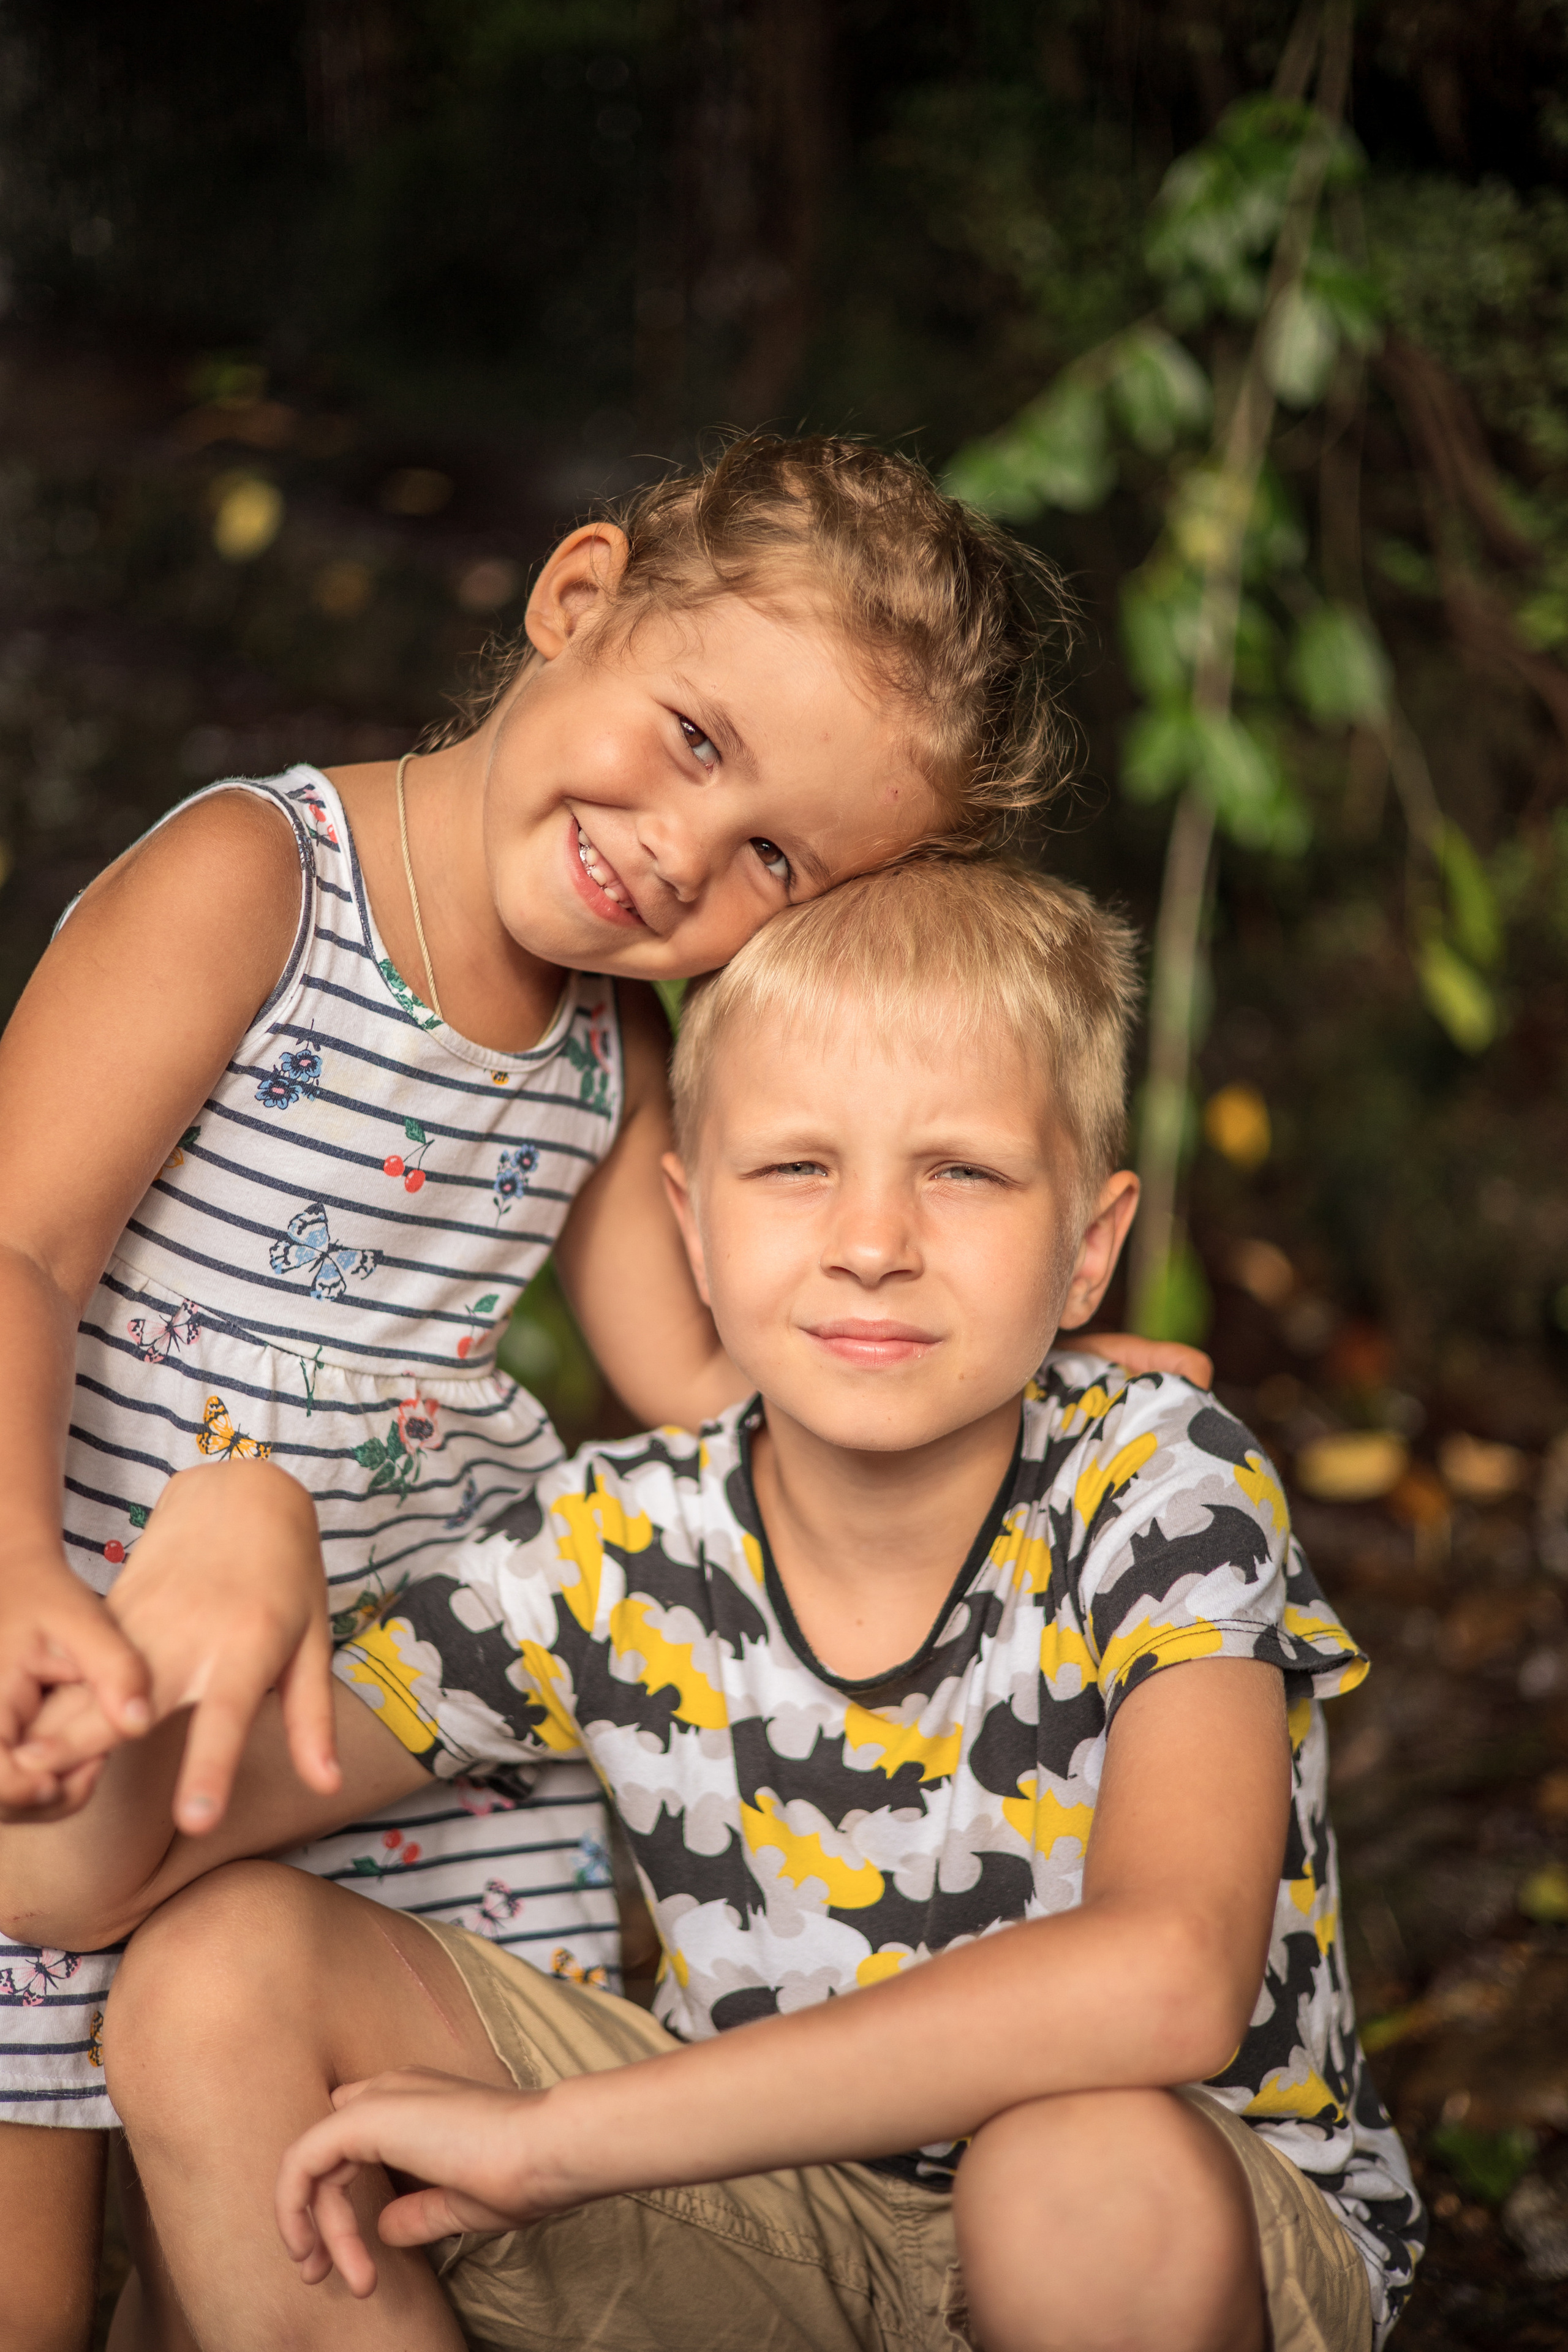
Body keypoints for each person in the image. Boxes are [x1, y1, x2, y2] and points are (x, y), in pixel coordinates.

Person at [0, 436, 1196, 2352]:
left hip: (390, 1699)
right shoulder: (262, 879)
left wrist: (1005, 1369)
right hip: (95, 1637)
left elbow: (717, 1389)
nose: (678, 851)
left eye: (774, 862)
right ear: (577, 603)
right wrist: (18, 1580)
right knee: (30, 2284)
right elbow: (22, 1249)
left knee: (300, 2227)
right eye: (697, 740)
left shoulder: (606, 1046)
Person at [4, 858, 1423, 2352]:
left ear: (1088, 1243)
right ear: (690, 1225)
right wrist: (228, 1520)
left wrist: (562, 2140)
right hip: (761, 2220)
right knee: (214, 1977)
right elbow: (68, 1883)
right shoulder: (610, 1546)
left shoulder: (1153, 1474)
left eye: (963, 1171)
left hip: (1164, 2214)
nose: (870, 1241)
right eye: (795, 1167)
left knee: (1070, 2168)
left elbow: (1170, 1981)